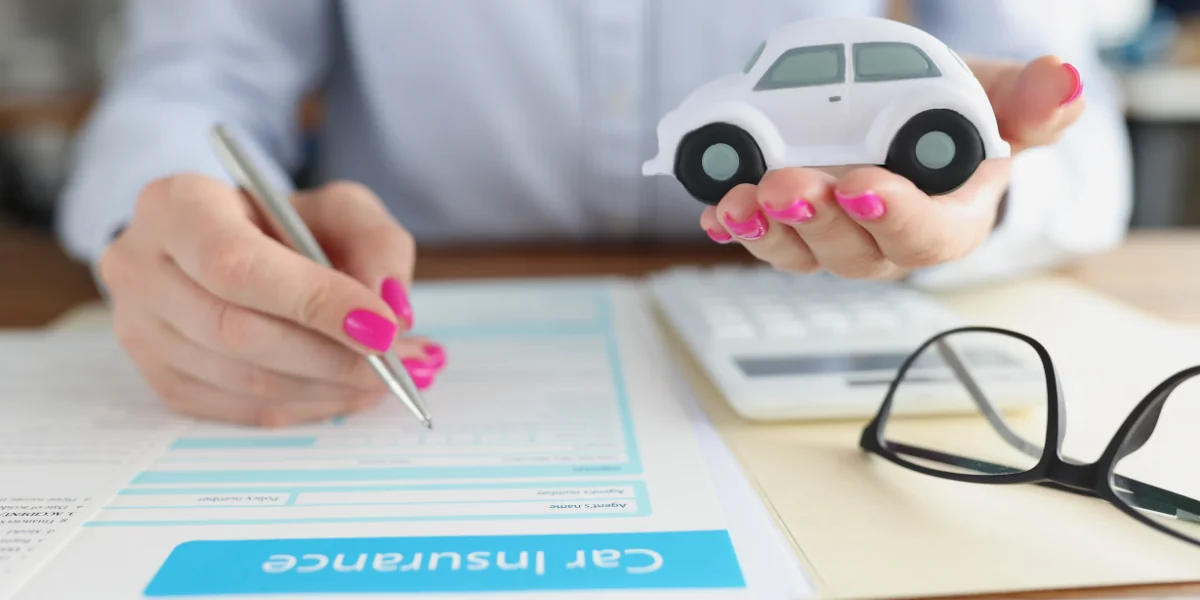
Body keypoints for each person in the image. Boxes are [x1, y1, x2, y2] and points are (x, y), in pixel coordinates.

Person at [56, 0, 1132, 427]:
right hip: (424, 286)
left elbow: (1057, 118)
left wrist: (977, 202)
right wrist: (169, 231)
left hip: (831, 329)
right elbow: (192, 83)